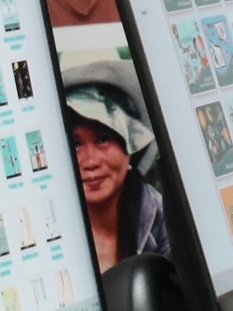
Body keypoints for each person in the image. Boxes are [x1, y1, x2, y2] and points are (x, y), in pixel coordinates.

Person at [66, 76, 170, 272]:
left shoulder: (155, 212)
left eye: (103, 139)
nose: (91, 162)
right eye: (76, 144)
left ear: (130, 146)